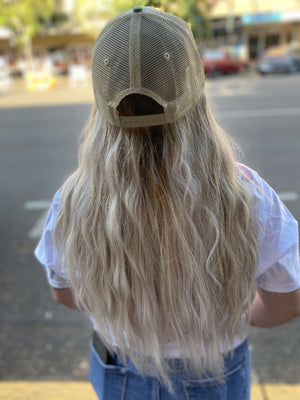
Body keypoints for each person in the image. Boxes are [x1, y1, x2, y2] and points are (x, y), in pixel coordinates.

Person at [35, 7, 300, 400]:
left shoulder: (74, 199)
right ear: (198, 87)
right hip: (215, 370)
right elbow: (286, 301)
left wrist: (123, 312)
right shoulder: (246, 194)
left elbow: (63, 291)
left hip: (119, 369)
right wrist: (236, 317)